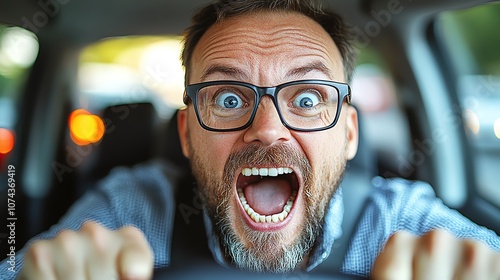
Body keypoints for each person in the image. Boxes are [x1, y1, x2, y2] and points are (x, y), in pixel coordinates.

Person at [3, 0, 500, 279]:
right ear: (186, 135)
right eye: (228, 99)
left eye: (307, 99)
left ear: (349, 133)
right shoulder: (133, 208)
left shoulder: (400, 222)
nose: (267, 129)